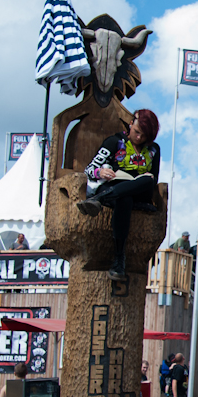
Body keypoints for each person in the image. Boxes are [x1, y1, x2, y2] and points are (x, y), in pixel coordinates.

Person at [76, 108, 161, 281]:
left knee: (147, 180)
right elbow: (89, 169)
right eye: (137, 132)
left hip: (140, 188)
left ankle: (99, 200)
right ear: (131, 124)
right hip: (116, 186)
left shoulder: (153, 150)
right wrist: (101, 172)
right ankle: (119, 258)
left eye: (144, 136)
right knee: (125, 198)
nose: (139, 138)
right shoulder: (114, 141)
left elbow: (154, 177)